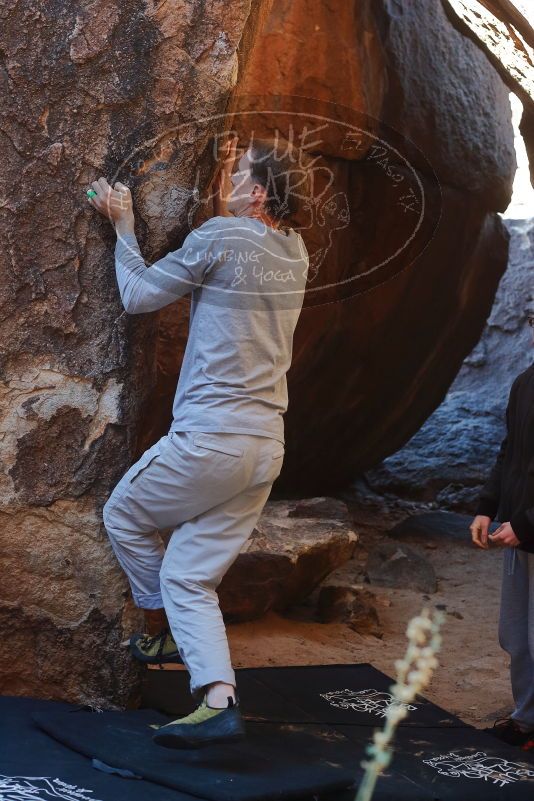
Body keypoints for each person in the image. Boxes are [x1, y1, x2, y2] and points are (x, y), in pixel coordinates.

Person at [88, 134, 310, 748]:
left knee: (124, 514)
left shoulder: (220, 235)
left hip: (212, 438)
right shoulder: (295, 252)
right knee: (190, 577)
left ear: (257, 192)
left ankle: (163, 630)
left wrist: (124, 225)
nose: (226, 181)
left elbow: (138, 297)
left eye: (237, 174)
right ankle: (219, 701)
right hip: (265, 447)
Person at [469, 314, 534, 749]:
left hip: (526, 528)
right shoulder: (525, 382)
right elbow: (509, 452)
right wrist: (486, 507)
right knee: (517, 635)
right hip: (518, 533)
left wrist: (527, 524)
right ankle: (526, 722)